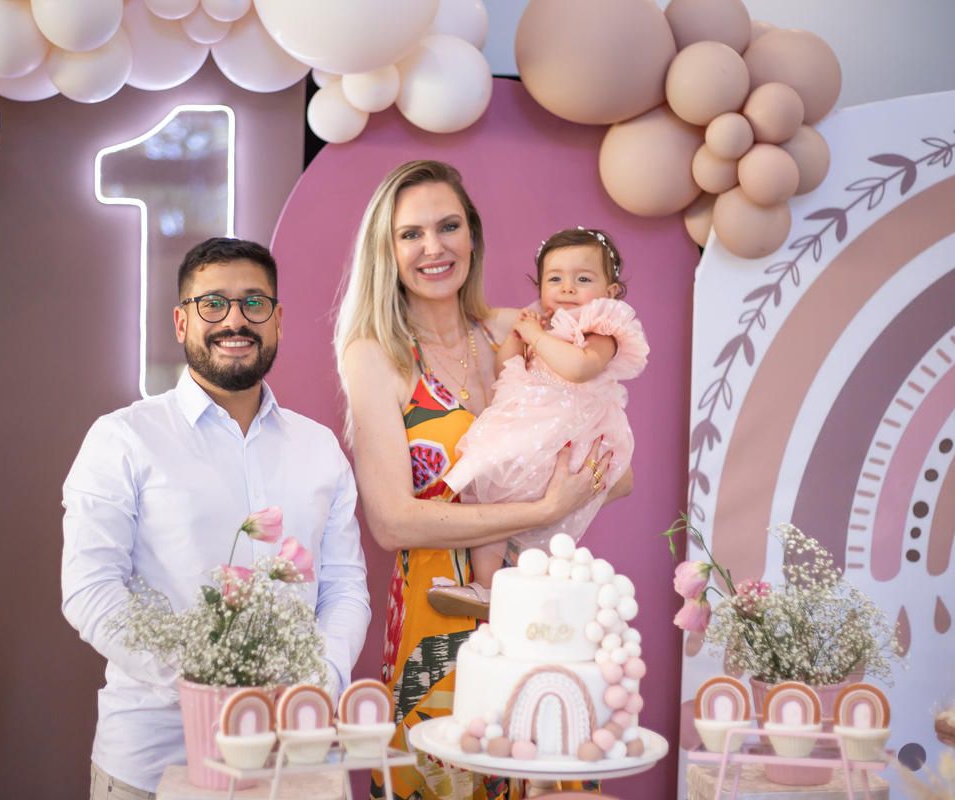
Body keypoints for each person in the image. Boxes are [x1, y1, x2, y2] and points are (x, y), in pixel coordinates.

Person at [334, 161, 632, 800]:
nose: (433, 247)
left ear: (472, 234)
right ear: (387, 250)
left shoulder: (514, 331)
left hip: (537, 609)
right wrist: (546, 504)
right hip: (437, 612)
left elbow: (617, 470)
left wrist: (572, 483)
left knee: (543, 772)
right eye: (410, 234)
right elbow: (392, 521)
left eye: (448, 226)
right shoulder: (377, 354)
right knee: (446, 778)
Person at [63, 238, 371, 800]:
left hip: (293, 756)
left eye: (254, 303)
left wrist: (316, 682)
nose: (235, 320)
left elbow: (344, 587)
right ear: (182, 322)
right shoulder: (123, 438)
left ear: (278, 321)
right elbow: (90, 590)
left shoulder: (320, 448)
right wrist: (212, 681)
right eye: (213, 304)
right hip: (155, 762)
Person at [438, 227, 648, 593]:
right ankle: (484, 587)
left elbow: (579, 367)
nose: (567, 288)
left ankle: (530, 588)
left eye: (583, 279)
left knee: (539, 527)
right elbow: (506, 368)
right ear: (540, 288)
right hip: (532, 429)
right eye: (555, 279)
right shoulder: (543, 325)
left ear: (610, 291)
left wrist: (537, 337)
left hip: (573, 431)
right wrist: (516, 338)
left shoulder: (602, 330)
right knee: (494, 498)